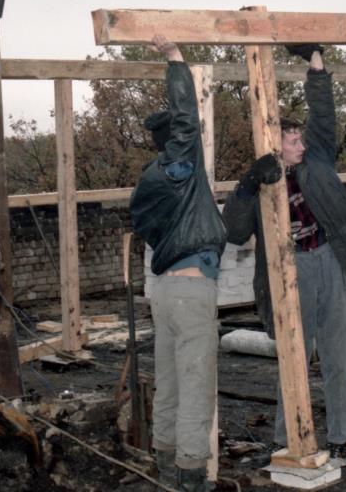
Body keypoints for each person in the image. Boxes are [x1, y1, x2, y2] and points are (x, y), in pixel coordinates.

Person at [223, 44, 346, 459]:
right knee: (293, 357)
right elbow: (234, 232)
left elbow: (324, 115)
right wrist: (247, 184)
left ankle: (341, 439)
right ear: (276, 145)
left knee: (335, 354)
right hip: (290, 271)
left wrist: (315, 61)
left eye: (300, 138)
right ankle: (286, 439)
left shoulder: (318, 161)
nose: (302, 145)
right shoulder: (264, 181)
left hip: (329, 258)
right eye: (293, 140)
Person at [129, 35, 227, 492]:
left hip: (165, 292)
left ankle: (166, 465)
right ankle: (190, 473)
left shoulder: (149, 183)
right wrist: (175, 59)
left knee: (168, 382)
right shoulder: (180, 166)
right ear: (179, 144)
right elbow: (187, 116)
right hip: (191, 290)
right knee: (195, 386)